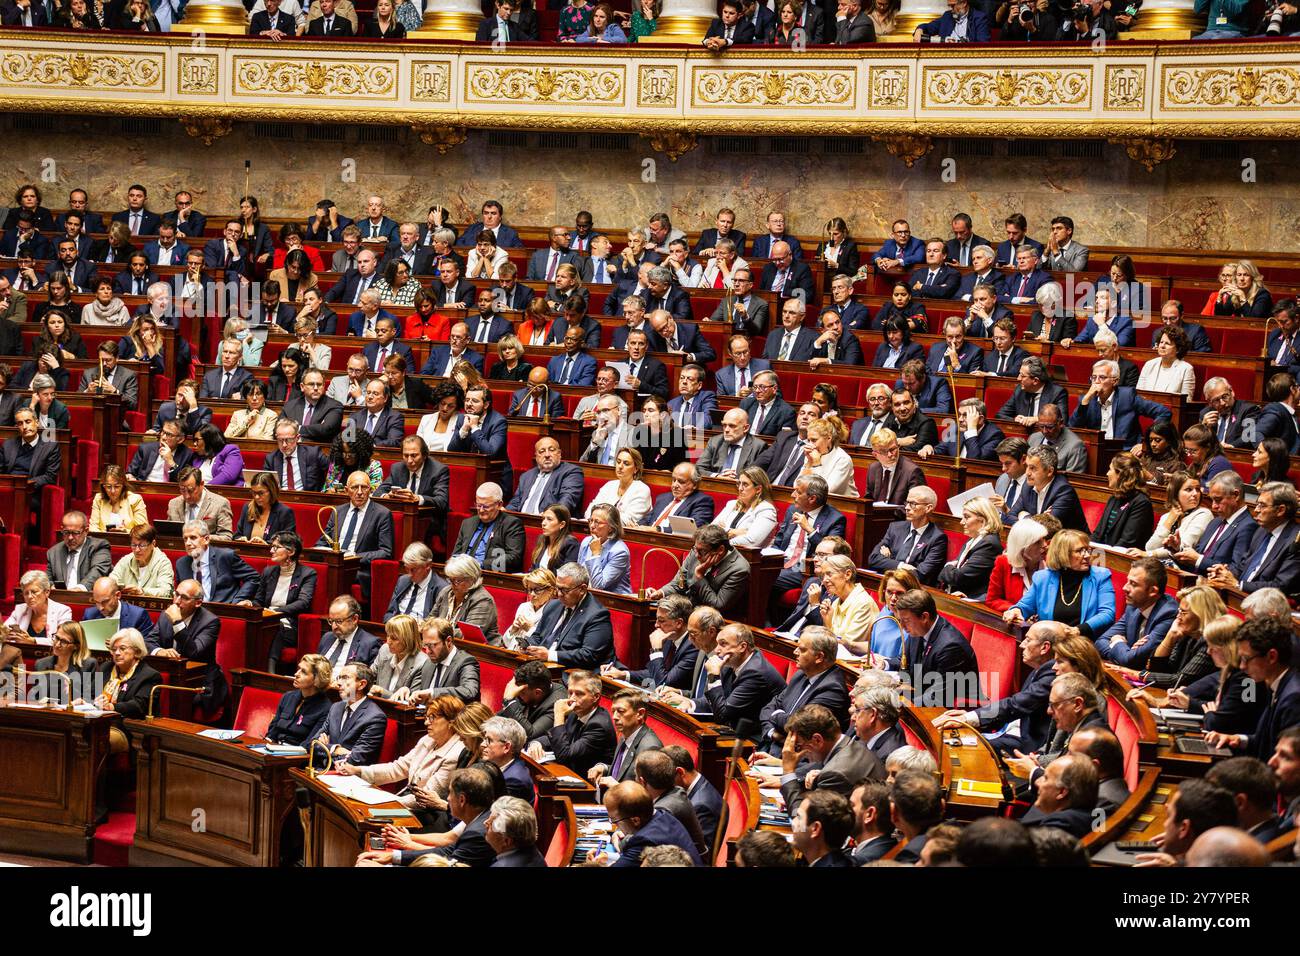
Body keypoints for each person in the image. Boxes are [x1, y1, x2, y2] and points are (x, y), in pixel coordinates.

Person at [1004, 529, 1115, 639]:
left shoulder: (1101, 576)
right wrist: (1015, 611)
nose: (1086, 555)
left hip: (1082, 643)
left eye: (1087, 550)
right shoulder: (1043, 578)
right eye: (1080, 551)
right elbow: (1025, 606)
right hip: (1049, 642)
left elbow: (1107, 613)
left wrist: (1077, 630)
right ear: (1063, 554)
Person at [76, 629, 161, 753]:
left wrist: (111, 706)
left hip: (127, 727)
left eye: (122, 648)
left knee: (91, 738)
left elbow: (139, 706)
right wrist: (85, 700)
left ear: (137, 651)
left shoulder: (149, 675)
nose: (116, 653)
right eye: (114, 649)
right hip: (98, 722)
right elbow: (91, 693)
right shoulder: (106, 668)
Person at [316, 471, 395, 602]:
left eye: (364, 487)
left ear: (370, 489)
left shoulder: (382, 514)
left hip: (358, 569)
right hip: (335, 564)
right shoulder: (338, 511)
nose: (359, 492)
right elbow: (322, 542)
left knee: (336, 576)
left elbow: (386, 552)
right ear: (347, 490)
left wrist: (353, 557)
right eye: (354, 487)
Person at [521, 564, 614, 669]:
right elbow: (538, 636)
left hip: (572, 674)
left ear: (582, 589)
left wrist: (550, 655)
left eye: (564, 590)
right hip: (542, 667)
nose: (559, 594)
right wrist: (528, 646)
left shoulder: (597, 615)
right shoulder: (553, 605)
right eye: (557, 588)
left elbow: (589, 655)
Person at [867, 485, 946, 585]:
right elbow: (873, 559)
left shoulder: (937, 538)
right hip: (888, 584)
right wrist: (902, 565)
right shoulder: (895, 528)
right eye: (907, 502)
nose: (907, 508)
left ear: (928, 508)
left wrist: (889, 561)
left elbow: (921, 574)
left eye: (913, 504)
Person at [452, 481, 525, 574]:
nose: (481, 510)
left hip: (490, 575)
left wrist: (480, 565)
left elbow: (514, 557)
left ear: (499, 505)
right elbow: (456, 554)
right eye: (478, 505)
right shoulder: (468, 523)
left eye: (486, 506)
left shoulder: (511, 524)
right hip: (462, 573)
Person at [266, 654, 333, 746]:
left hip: (297, 756)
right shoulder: (288, 697)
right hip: (274, 750)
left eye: (304, 672)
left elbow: (310, 744)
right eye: (299, 669)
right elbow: (272, 732)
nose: (296, 674)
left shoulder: (325, 708)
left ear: (317, 679)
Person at [1093, 452, 1155, 549]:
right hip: (1103, 553)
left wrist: (1105, 555)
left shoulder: (1141, 503)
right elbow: (1098, 533)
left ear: (1120, 474)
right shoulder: (1114, 498)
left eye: (1110, 469)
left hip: (1122, 558)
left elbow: (1128, 542)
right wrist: (1088, 548)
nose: (1107, 473)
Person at [576, 503, 632, 595]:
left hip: (612, 602)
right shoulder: (586, 542)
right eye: (591, 520)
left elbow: (597, 586)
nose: (592, 526)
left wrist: (595, 554)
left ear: (611, 527)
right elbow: (578, 574)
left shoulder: (619, 551)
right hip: (585, 596)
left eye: (597, 522)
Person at [110, 525, 175, 599]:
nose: (137, 550)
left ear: (153, 544)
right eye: (134, 545)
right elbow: (110, 582)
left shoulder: (163, 563)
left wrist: (142, 591)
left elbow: (165, 592)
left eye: (142, 545)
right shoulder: (126, 560)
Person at [1138, 326, 1197, 399]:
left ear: (1178, 349)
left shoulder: (1186, 369)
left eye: (1167, 343)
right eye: (1161, 342)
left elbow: (1186, 401)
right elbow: (1139, 394)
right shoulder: (1149, 365)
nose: (1162, 346)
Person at [235, 472, 295, 543]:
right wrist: (241, 539)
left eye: (261, 493)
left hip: (270, 553)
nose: (256, 497)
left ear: (272, 491)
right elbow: (237, 535)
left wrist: (266, 544)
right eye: (254, 493)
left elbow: (288, 542)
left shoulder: (284, 512)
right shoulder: (247, 508)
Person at [87, 466, 147, 535]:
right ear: (103, 486)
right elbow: (93, 528)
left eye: (117, 486)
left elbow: (143, 531)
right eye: (108, 487)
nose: (112, 491)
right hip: (103, 542)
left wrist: (126, 531)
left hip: (130, 542)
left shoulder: (135, 499)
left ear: (123, 486)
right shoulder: (99, 499)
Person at [414, 382, 462, 455]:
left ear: (456, 407)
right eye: (442, 403)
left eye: (450, 406)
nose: (445, 408)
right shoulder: (426, 419)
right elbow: (418, 445)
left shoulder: (460, 421)